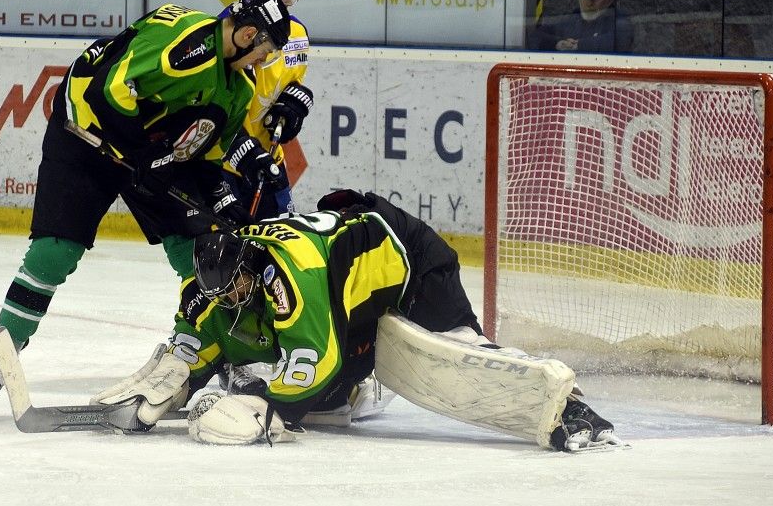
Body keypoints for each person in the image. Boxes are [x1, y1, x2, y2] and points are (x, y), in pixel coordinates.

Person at [0, 0, 293, 418]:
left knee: (204, 253)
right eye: (265, 51)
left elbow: (208, 159)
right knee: (53, 254)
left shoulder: (238, 88)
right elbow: (107, 92)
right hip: (84, 135)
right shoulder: (184, 44)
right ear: (247, 35)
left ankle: (222, 356)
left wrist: (221, 203)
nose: (263, 63)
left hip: (148, 153)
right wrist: (143, 156)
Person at [96, 190, 621, 452]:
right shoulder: (216, 280)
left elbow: (316, 356)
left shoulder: (289, 275)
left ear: (249, 267)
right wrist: (178, 378)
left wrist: (270, 407)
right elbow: (197, 335)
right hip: (349, 286)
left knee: (458, 346)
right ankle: (346, 392)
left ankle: (569, 406)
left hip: (407, 259)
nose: (230, 298)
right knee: (312, 393)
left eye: (236, 287)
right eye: (221, 293)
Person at [216, 0, 313, 220]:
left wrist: (295, 104)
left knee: (282, 241)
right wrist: (241, 149)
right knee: (225, 245)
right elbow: (211, 109)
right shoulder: (225, 37)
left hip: (269, 162)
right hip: (222, 167)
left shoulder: (296, 34)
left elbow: (286, 87)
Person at [532, 0, 633, 53]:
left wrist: (579, 45)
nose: (589, 2)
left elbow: (620, 40)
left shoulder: (618, 21)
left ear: (609, 0)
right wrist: (558, 43)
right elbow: (535, 36)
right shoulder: (572, 21)